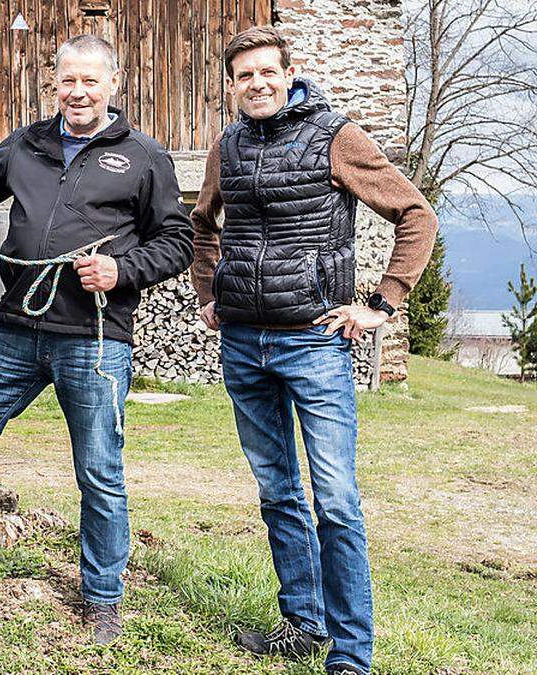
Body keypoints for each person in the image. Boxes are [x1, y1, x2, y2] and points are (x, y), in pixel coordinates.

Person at [0, 35, 193, 644]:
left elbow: (178, 240)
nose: (78, 93)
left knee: (99, 471)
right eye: (67, 82)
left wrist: (121, 271)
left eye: (90, 82)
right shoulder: (26, 144)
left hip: (96, 336)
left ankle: (102, 595)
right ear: (55, 85)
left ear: (113, 83)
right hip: (16, 328)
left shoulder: (143, 157)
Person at [189, 26, 438, 675]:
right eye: (245, 75)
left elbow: (416, 214)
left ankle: (352, 655)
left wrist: (381, 303)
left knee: (335, 498)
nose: (258, 83)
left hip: (315, 343)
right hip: (243, 343)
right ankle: (303, 622)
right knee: (277, 491)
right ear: (233, 84)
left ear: (290, 71)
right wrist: (208, 292)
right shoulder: (227, 145)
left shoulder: (336, 135)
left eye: (267, 71)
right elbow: (201, 223)